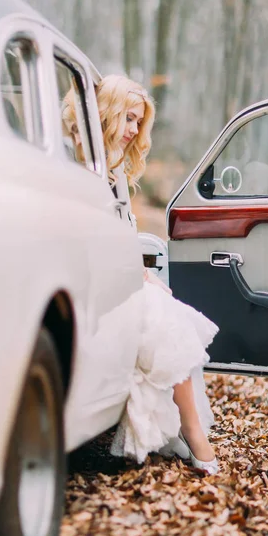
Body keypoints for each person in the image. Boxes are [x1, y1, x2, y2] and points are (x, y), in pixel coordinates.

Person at [63, 75, 219, 474]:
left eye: (138, 122)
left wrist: (138, 272)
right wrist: (131, 273)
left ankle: (189, 430)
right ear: (108, 114)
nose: (134, 131)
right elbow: (87, 240)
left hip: (115, 276)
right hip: (92, 282)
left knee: (166, 306)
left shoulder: (113, 172)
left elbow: (120, 238)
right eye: (129, 119)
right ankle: (194, 435)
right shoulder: (80, 168)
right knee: (165, 318)